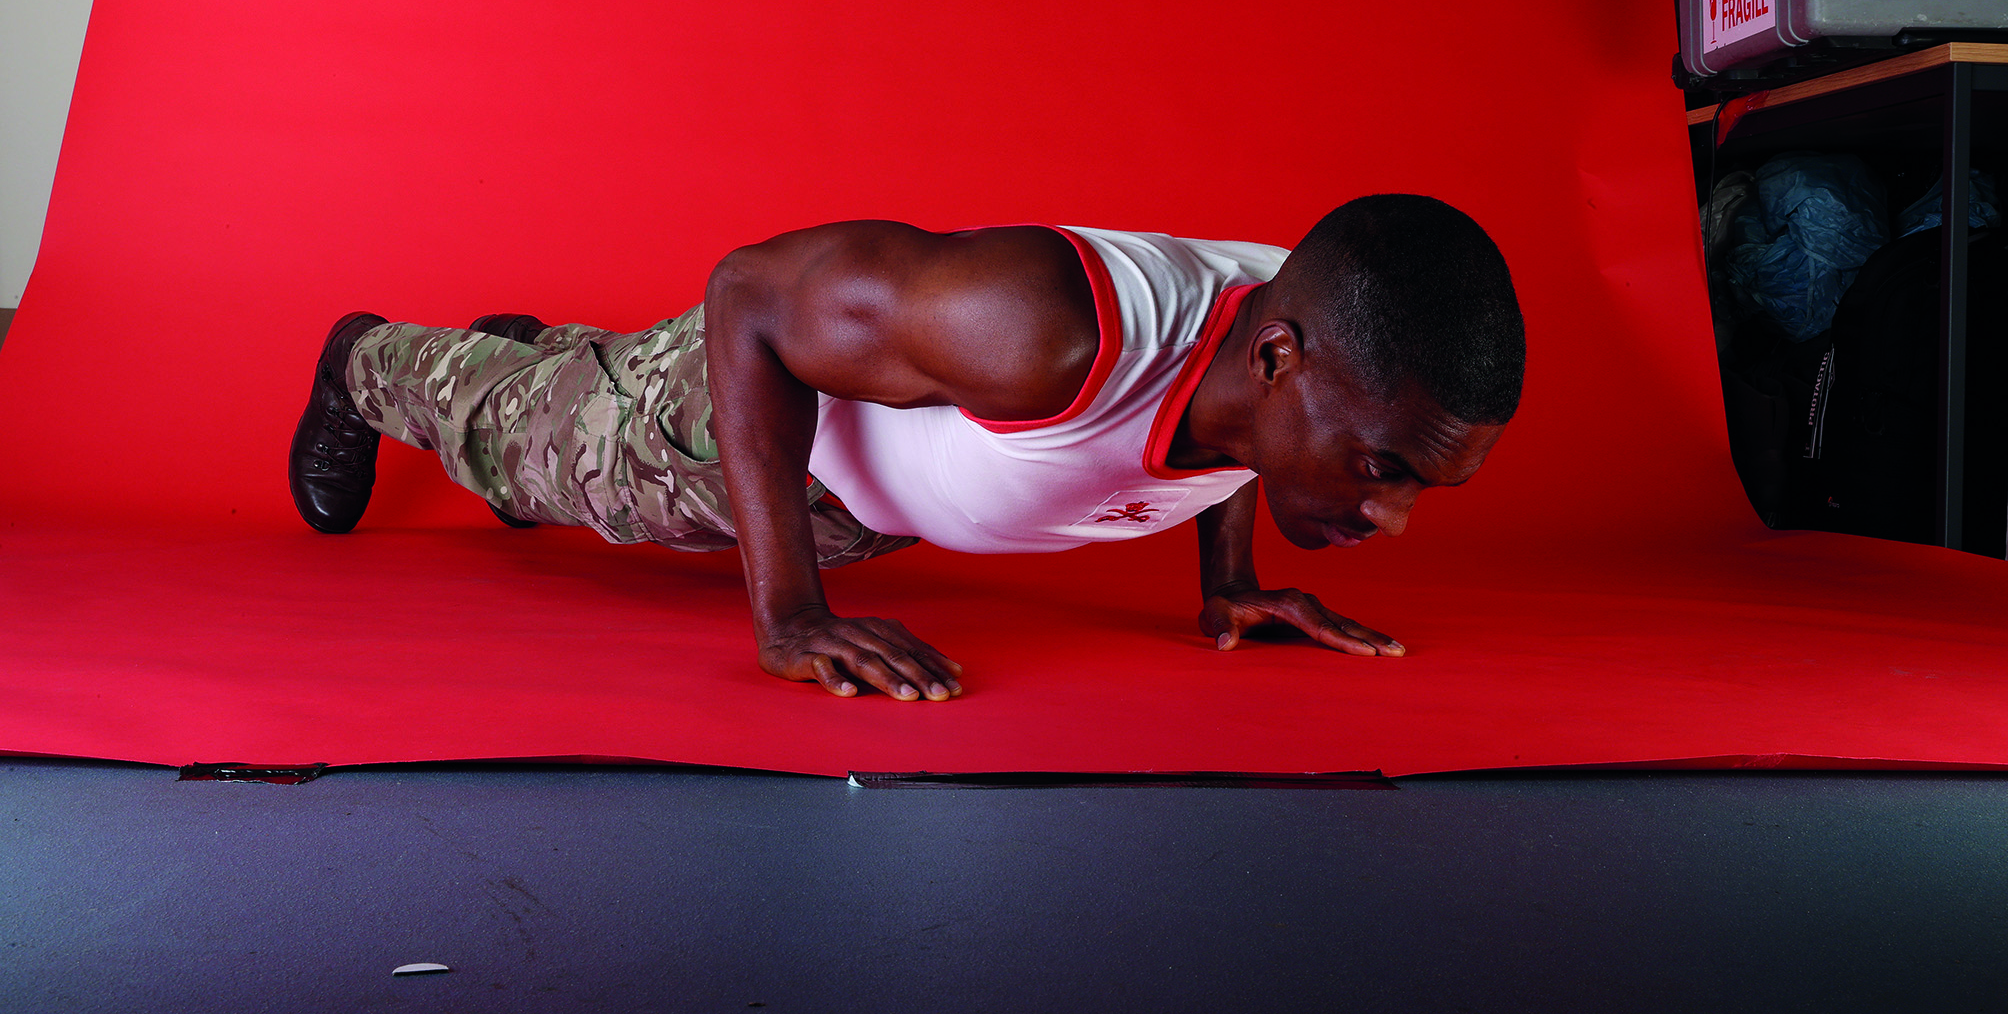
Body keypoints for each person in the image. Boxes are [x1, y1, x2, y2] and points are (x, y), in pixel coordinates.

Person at [289, 195, 1524, 701]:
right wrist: (784, 613)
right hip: (735, 435)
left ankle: (532, 366)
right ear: (1274, 358)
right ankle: (373, 359)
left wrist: (1231, 584)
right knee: (530, 457)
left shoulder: (1298, 354)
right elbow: (748, 298)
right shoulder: (1041, 324)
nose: (1394, 518)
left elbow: (1235, 437)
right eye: (1383, 471)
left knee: (535, 437)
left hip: (874, 501)